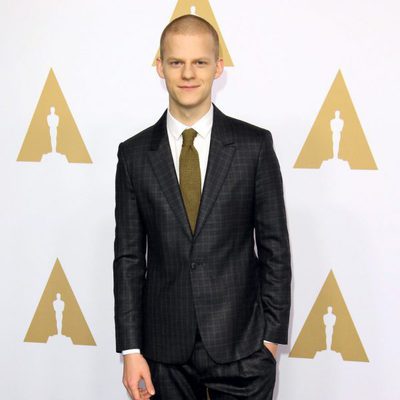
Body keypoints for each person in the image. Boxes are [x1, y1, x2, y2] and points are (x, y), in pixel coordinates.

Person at [113, 14, 291, 400]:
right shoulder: (134, 155)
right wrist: (131, 351)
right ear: (160, 68)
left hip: (243, 347)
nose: (188, 74)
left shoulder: (253, 146)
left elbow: (275, 247)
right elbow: (128, 258)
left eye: (200, 62)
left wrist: (271, 341)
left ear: (218, 67)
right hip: (164, 353)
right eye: (176, 62)